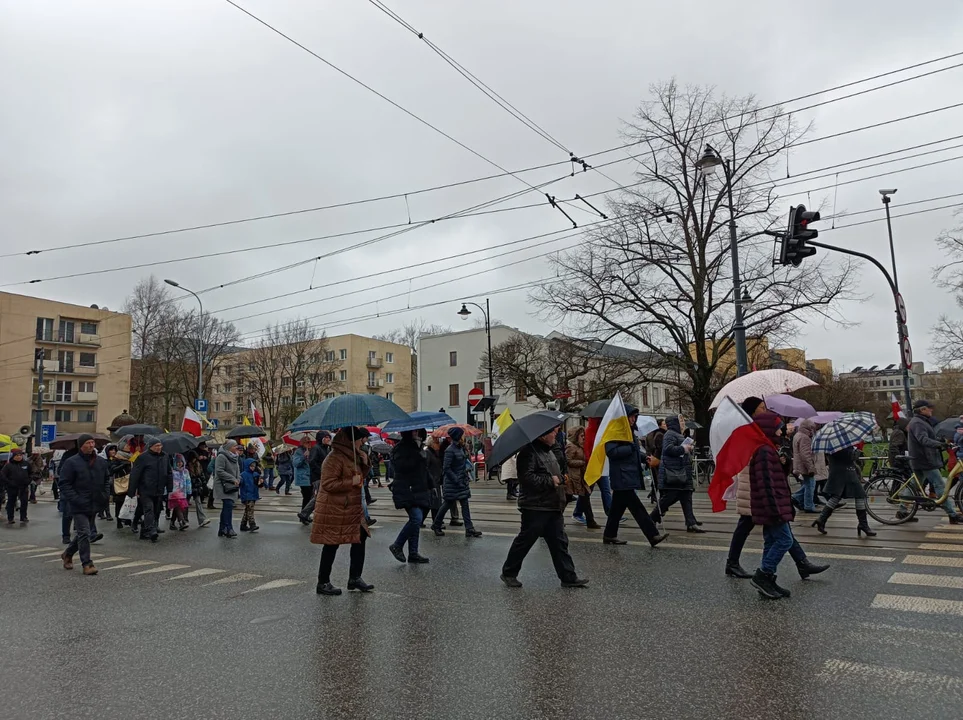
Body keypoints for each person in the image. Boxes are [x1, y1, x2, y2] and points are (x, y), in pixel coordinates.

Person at [725, 397, 829, 581]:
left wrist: (782, 459)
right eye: (761, 407)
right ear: (752, 411)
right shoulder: (748, 431)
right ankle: (736, 564)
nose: (765, 410)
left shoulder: (760, 430)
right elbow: (749, 459)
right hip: (754, 486)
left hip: (759, 486)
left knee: (779, 529)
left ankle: (799, 563)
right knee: (758, 527)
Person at [501, 425, 588, 589]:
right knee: (525, 541)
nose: (555, 433)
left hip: (552, 504)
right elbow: (526, 478)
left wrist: (562, 479)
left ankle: (568, 577)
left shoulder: (547, 450)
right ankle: (509, 572)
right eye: (551, 432)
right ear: (542, 436)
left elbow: (551, 472)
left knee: (559, 543)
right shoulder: (528, 453)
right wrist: (551, 481)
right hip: (535, 506)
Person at [311, 427, 375, 596]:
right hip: (335, 508)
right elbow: (328, 484)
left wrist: (363, 460)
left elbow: (361, 476)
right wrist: (350, 481)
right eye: (359, 439)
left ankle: (355, 577)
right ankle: (323, 582)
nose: (362, 441)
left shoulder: (353, 456)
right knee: (332, 543)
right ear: (349, 440)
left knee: (360, 537)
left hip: (352, 507)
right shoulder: (334, 458)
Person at [747, 412, 802, 599]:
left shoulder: (771, 448)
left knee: (771, 541)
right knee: (784, 540)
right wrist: (774, 508)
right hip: (772, 505)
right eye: (778, 427)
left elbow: (779, 476)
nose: (781, 431)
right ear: (769, 429)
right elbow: (765, 483)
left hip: (774, 503)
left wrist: (784, 462)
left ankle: (767, 580)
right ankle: (763, 574)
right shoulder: (764, 451)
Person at [601, 406, 669, 547]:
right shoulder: (614, 431)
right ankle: (652, 535)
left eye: (635, 416)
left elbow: (634, 452)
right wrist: (631, 447)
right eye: (631, 416)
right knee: (637, 507)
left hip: (627, 474)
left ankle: (609, 535)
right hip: (622, 475)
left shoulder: (629, 432)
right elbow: (611, 452)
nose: (633, 419)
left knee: (616, 509)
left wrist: (645, 458)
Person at [58, 435, 111, 576]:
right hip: (78, 504)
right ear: (81, 445)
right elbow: (64, 483)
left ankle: (67, 554)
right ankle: (87, 564)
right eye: (88, 443)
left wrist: (105, 494)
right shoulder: (71, 462)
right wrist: (75, 498)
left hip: (94, 502)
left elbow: (106, 479)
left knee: (83, 533)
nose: (91, 445)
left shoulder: (100, 462)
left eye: (92, 442)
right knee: (85, 533)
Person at [907, 399, 963, 524]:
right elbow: (923, 440)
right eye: (929, 408)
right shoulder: (918, 423)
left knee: (914, 485)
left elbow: (927, 438)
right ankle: (952, 515)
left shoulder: (921, 421)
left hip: (920, 459)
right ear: (922, 410)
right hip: (925, 460)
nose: (931, 410)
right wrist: (940, 444)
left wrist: (941, 440)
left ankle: (902, 511)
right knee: (940, 486)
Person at [649, 415, 703, 532]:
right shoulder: (670, 434)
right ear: (675, 423)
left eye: (683, 421)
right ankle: (652, 517)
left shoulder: (677, 434)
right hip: (674, 472)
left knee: (686, 496)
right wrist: (684, 448)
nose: (683, 423)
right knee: (670, 497)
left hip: (681, 471)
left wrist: (688, 448)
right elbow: (668, 449)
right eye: (681, 421)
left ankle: (691, 523)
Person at [812, 445, 877, 536]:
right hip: (844, 471)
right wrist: (854, 453)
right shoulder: (839, 442)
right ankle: (863, 524)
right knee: (859, 495)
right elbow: (846, 456)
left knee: (837, 496)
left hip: (841, 471)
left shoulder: (833, 441)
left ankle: (821, 519)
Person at [388, 430, 431, 564]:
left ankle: (413, 552)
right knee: (416, 519)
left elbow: (423, 470)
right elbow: (401, 467)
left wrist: (432, 485)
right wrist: (417, 455)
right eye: (414, 431)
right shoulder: (400, 448)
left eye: (418, 431)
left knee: (417, 520)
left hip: (418, 488)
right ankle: (397, 545)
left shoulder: (417, 447)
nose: (417, 434)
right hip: (406, 488)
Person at [431, 428, 482, 538]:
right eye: (462, 435)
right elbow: (446, 468)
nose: (463, 437)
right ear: (458, 436)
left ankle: (469, 528)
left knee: (465, 504)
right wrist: (456, 479)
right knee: (447, 504)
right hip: (453, 483)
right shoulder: (450, 450)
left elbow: (462, 463)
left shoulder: (459, 448)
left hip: (461, 481)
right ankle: (436, 524)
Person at [128, 436, 172, 542]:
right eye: (156, 446)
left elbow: (169, 472)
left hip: (159, 488)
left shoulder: (165, 456)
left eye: (160, 445)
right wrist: (132, 490)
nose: (159, 447)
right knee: (149, 509)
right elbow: (135, 474)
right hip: (145, 489)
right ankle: (151, 530)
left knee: (156, 510)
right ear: (151, 447)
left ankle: (144, 532)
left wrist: (169, 487)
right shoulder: (143, 457)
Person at [566, 427, 601, 529]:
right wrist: (582, 463)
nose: (584, 438)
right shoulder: (571, 446)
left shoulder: (581, 447)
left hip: (581, 477)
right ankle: (553, 520)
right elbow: (567, 461)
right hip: (573, 477)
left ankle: (590, 521)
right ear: (575, 437)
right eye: (581, 436)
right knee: (567, 498)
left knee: (585, 498)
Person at [298, 432, 331, 524]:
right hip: (317, 477)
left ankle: (304, 514)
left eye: (329, 437)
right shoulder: (316, 448)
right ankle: (304, 514)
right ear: (321, 438)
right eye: (326, 437)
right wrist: (321, 472)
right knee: (319, 496)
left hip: (323, 476)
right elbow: (312, 462)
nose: (329, 439)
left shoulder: (326, 448)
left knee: (318, 496)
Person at [214, 440, 242, 538]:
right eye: (235, 446)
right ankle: (229, 528)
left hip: (232, 485)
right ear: (229, 447)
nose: (237, 448)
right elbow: (219, 471)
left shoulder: (235, 457)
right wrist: (232, 478)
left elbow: (238, 470)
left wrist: (238, 479)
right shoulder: (221, 456)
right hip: (223, 485)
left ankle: (222, 529)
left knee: (227, 506)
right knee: (228, 505)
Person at [791, 419, 820, 513]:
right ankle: (808, 505)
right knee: (810, 485)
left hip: (798, 464)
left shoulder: (797, 435)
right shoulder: (805, 438)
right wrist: (811, 467)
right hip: (804, 466)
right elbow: (805, 454)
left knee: (808, 484)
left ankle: (796, 498)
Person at [2, 448, 32, 525]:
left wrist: (28, 480)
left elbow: (31, 473)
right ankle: (10, 518)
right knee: (11, 502)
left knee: (24, 502)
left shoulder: (26, 464)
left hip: (23, 486)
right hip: (12, 487)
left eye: (20, 455)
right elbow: (3, 476)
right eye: (17, 455)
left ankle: (23, 517)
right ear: (13, 456)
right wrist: (9, 483)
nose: (19, 457)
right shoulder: (8, 465)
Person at [105, 444, 132, 529]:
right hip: (119, 483)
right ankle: (119, 520)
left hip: (128, 482)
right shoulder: (116, 458)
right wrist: (123, 465)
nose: (128, 447)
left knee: (128, 501)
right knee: (119, 502)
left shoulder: (130, 457)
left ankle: (127, 519)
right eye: (126, 446)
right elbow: (112, 470)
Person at [424, 434, 445, 527]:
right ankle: (436, 523)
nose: (439, 444)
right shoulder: (428, 453)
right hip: (432, 481)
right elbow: (426, 467)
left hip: (436, 480)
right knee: (435, 504)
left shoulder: (434, 453)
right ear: (432, 444)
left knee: (433, 503)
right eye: (437, 442)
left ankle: (422, 521)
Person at [186, 451, 210, 528]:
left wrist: (204, 484)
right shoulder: (187, 466)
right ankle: (184, 520)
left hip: (196, 486)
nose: (194, 460)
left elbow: (201, 474)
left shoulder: (197, 464)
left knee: (198, 502)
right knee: (185, 504)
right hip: (188, 486)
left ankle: (202, 519)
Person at [168, 454, 192, 532]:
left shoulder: (185, 471)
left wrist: (189, 491)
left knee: (178, 507)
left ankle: (172, 522)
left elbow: (188, 481)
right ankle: (182, 522)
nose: (179, 463)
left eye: (181, 462)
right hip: (174, 492)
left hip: (182, 492)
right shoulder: (172, 471)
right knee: (179, 505)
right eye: (177, 462)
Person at [239, 458, 262, 533]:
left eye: (254, 466)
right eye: (251, 466)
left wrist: (261, 482)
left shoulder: (255, 474)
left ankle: (243, 524)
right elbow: (240, 483)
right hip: (247, 495)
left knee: (247, 510)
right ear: (247, 466)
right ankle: (252, 524)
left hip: (254, 494)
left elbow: (259, 484)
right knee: (250, 510)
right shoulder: (243, 475)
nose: (253, 467)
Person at [293, 440, 314, 512]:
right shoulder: (299, 451)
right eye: (307, 442)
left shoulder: (311, 451)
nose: (309, 443)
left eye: (309, 442)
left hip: (309, 477)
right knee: (307, 496)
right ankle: (304, 514)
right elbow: (296, 463)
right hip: (302, 477)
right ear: (302, 443)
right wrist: (304, 456)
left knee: (310, 496)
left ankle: (304, 514)